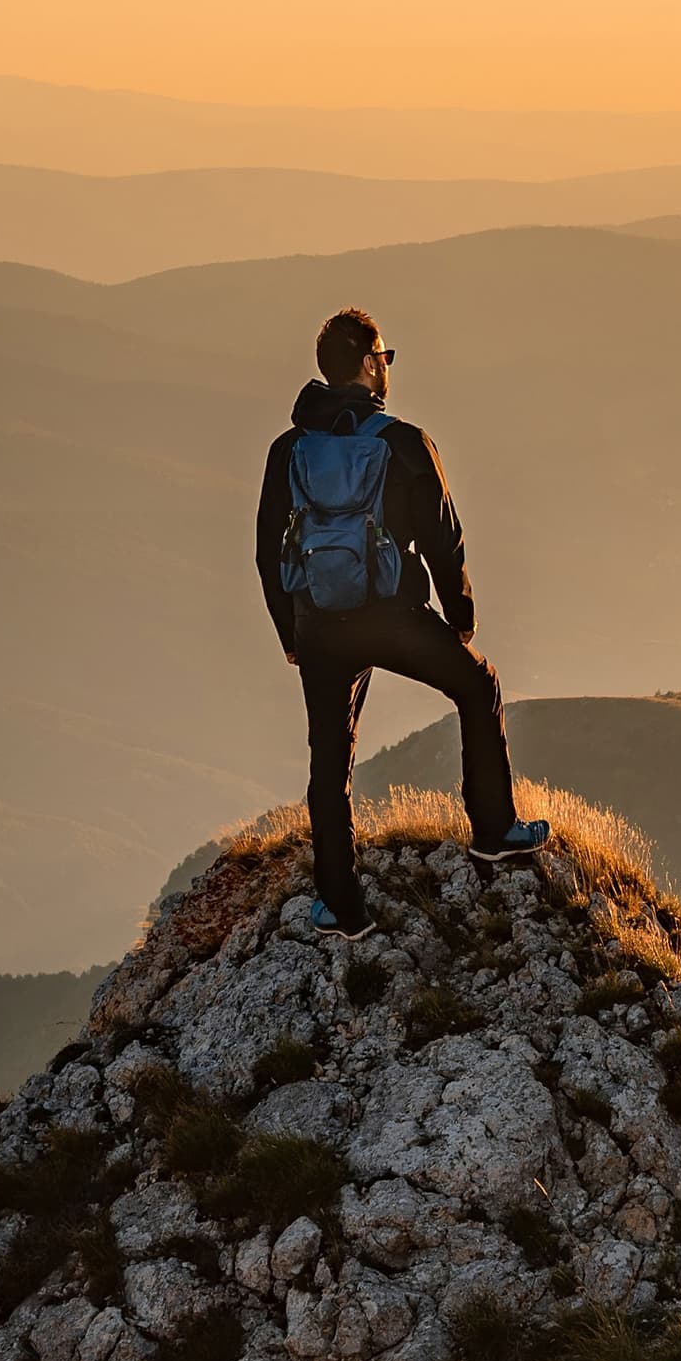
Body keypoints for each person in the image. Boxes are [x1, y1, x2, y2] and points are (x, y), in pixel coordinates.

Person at [255, 306, 548, 935]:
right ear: (366, 365)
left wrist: (292, 634)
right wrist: (459, 615)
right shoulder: (404, 442)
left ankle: (341, 904)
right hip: (391, 616)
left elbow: (265, 548)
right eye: (384, 357)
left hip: (319, 623)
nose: (387, 367)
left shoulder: (287, 450)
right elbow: (444, 537)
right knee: (478, 685)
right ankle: (494, 830)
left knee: (329, 760)